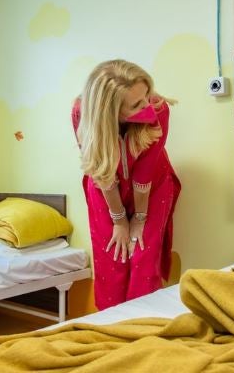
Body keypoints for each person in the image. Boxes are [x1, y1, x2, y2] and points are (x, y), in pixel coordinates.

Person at [72, 60, 181, 310]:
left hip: (152, 185)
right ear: (110, 112)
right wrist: (119, 220)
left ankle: (144, 327)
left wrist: (139, 219)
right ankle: (111, 330)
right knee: (112, 257)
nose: (148, 106)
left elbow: (145, 174)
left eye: (146, 95)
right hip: (104, 187)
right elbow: (101, 167)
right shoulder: (82, 113)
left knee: (143, 255)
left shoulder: (158, 109)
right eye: (136, 105)